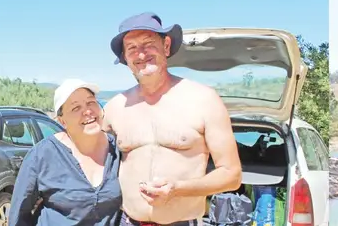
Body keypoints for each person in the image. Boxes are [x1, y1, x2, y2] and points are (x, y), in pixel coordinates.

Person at [102, 12, 242, 225]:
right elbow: (90, 165)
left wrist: (178, 189)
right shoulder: (114, 107)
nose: (141, 54)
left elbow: (231, 176)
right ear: (125, 59)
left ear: (166, 46)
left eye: (148, 44)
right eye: (132, 48)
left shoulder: (204, 99)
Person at [11, 79, 123, 225]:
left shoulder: (118, 149)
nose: (87, 111)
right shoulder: (43, 155)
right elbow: (19, 214)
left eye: (90, 102)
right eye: (76, 108)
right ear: (62, 121)